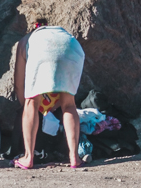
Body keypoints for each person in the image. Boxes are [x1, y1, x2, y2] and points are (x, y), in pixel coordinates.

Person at [12, 20, 86, 170]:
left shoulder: (27, 39)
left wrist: (25, 107)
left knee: (31, 102)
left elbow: (19, 84)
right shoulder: (62, 32)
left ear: (34, 26)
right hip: (72, 47)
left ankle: (28, 157)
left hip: (42, 50)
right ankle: (74, 157)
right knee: (69, 104)